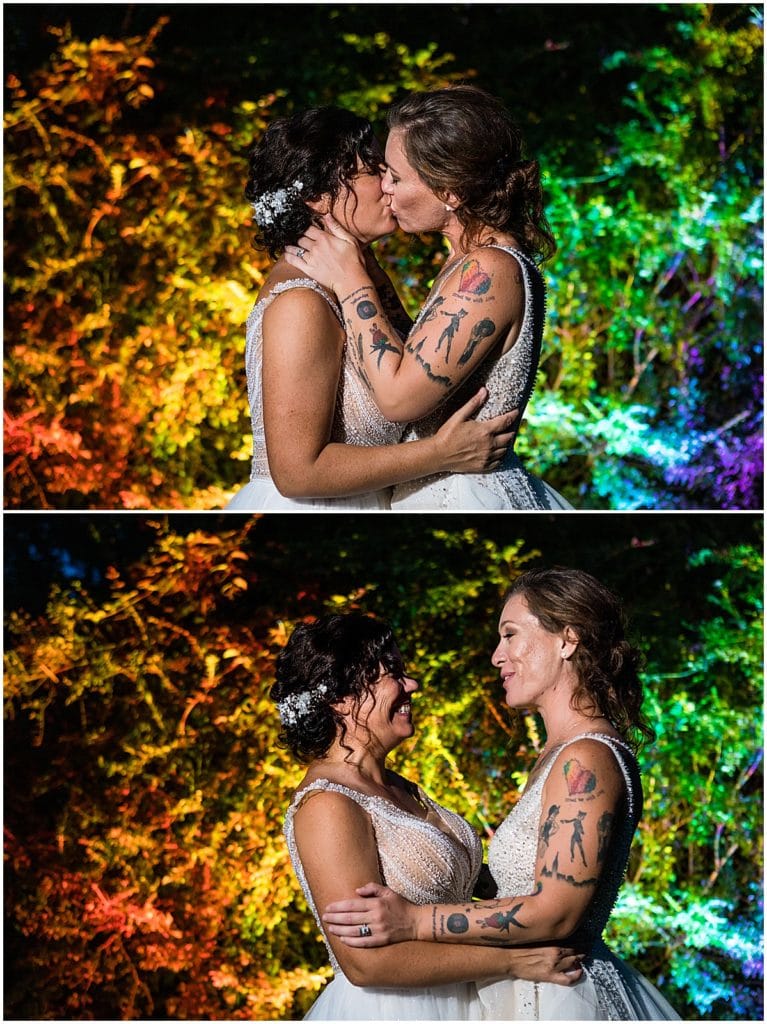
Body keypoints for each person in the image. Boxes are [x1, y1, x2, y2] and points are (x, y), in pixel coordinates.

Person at [321, 570, 680, 1020]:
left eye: (510, 635)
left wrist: (414, 921)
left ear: (567, 639)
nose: (497, 657)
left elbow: (555, 913)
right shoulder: (560, 754)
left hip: (560, 991)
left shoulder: (585, 759)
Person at [273, 612, 586, 1020]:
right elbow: (366, 963)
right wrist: (513, 963)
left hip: (467, 1002)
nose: (412, 685)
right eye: (392, 674)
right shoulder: (328, 805)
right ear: (340, 697)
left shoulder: (399, 785)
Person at [285, 86, 572, 510]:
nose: (385, 189)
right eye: (383, 171)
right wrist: (371, 273)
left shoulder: (490, 270)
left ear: (450, 193)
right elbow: (416, 358)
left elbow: (401, 399)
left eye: (396, 178)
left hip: (462, 494)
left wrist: (351, 283)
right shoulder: (468, 260)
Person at [226, 107, 518, 510]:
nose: (387, 186)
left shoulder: (353, 282)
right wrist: (442, 453)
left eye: (391, 173)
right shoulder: (302, 303)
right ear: (317, 196)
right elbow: (296, 473)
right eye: (373, 171)